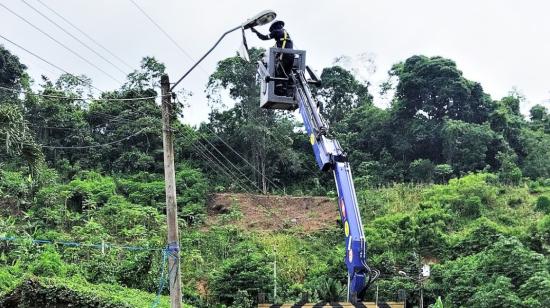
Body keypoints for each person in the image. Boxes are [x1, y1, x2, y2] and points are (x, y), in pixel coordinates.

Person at [251, 20, 294, 95]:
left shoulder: (276, 32)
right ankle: (288, 87)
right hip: (292, 56)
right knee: (287, 73)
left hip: (284, 56)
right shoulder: (286, 34)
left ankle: (280, 89)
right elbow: (280, 45)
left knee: (278, 71)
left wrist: (255, 32)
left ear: (274, 27)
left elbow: (264, 37)